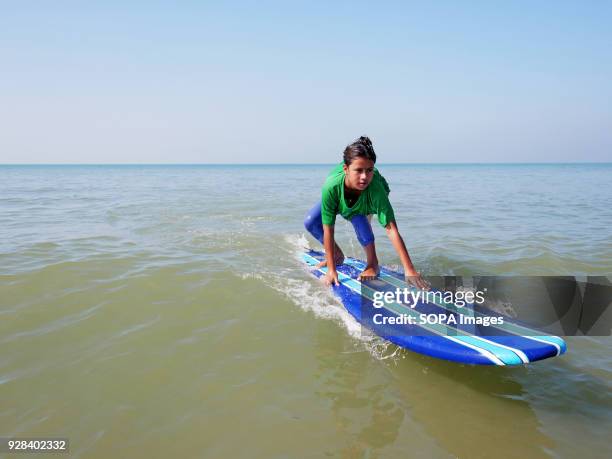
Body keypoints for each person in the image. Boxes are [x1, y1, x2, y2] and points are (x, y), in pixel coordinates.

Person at [304, 136, 429, 289]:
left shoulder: (375, 188)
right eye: (358, 170)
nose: (364, 177)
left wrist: (410, 270)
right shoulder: (331, 187)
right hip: (340, 196)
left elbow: (391, 230)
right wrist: (331, 270)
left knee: (359, 220)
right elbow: (328, 229)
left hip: (367, 199)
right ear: (346, 169)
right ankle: (336, 256)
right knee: (311, 221)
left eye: (369, 170)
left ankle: (372, 263)